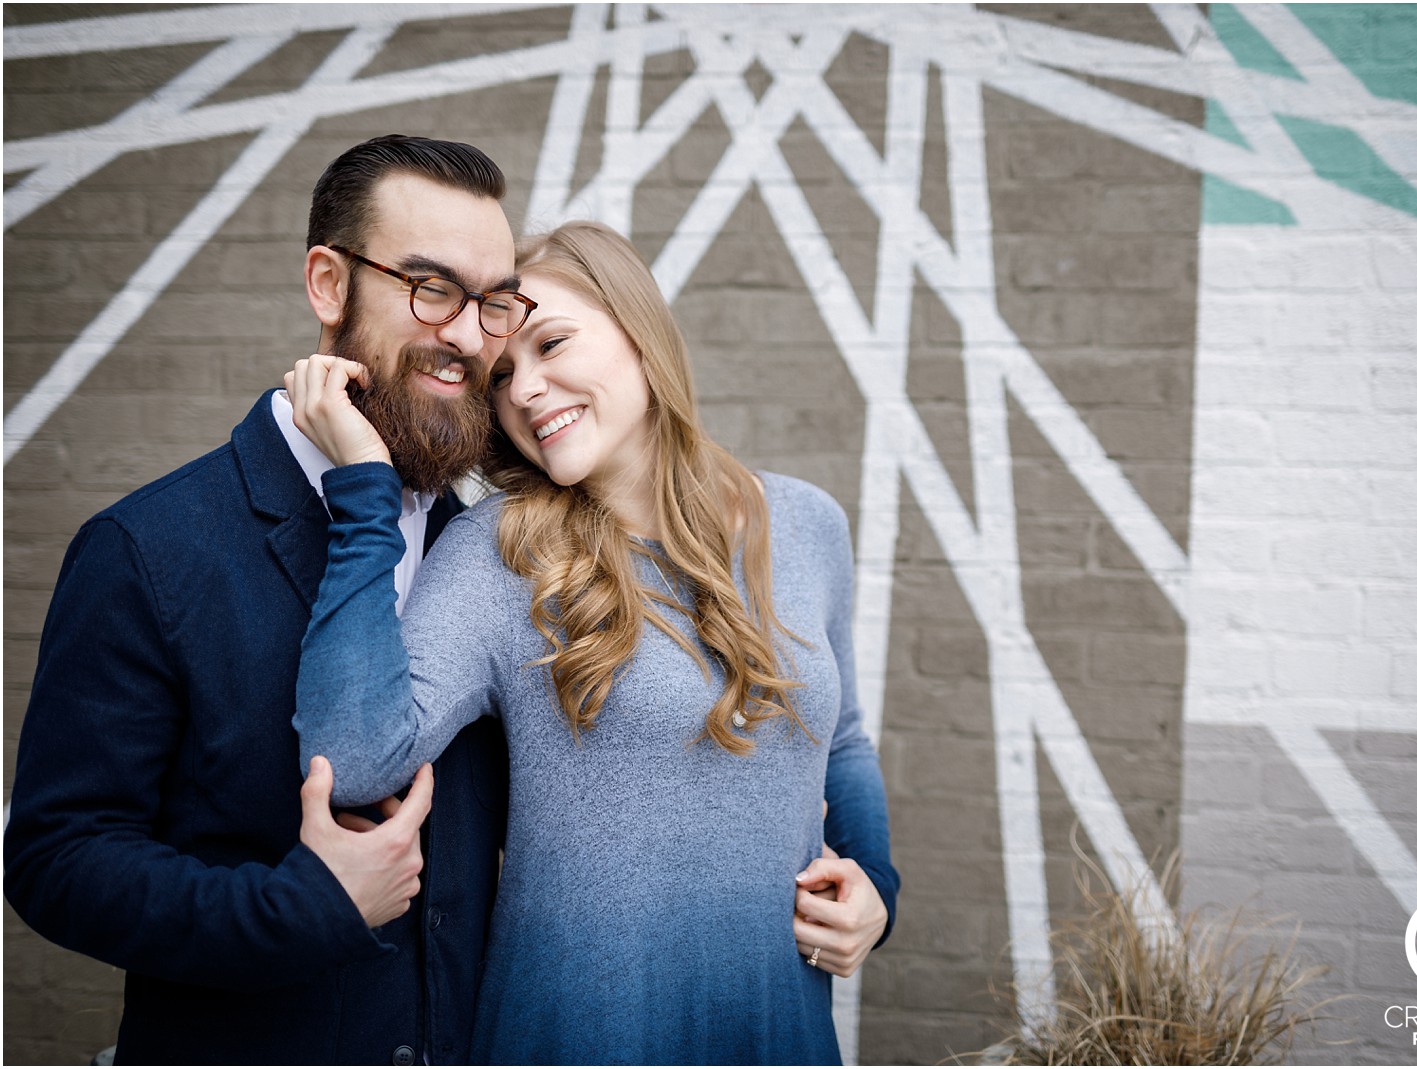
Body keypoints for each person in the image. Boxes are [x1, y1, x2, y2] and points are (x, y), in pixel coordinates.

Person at [288, 220, 900, 1064]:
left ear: (639, 332)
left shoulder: (803, 523)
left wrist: (877, 883)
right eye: (502, 375)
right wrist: (364, 493)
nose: (526, 389)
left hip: (779, 1034)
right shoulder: (500, 552)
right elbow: (352, 757)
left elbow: (845, 741)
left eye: (552, 342)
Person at [3, 134, 526, 1065]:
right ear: (329, 285)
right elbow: (55, 860)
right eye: (430, 287)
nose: (466, 334)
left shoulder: (493, 548)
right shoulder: (148, 549)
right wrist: (298, 908)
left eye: (492, 301)